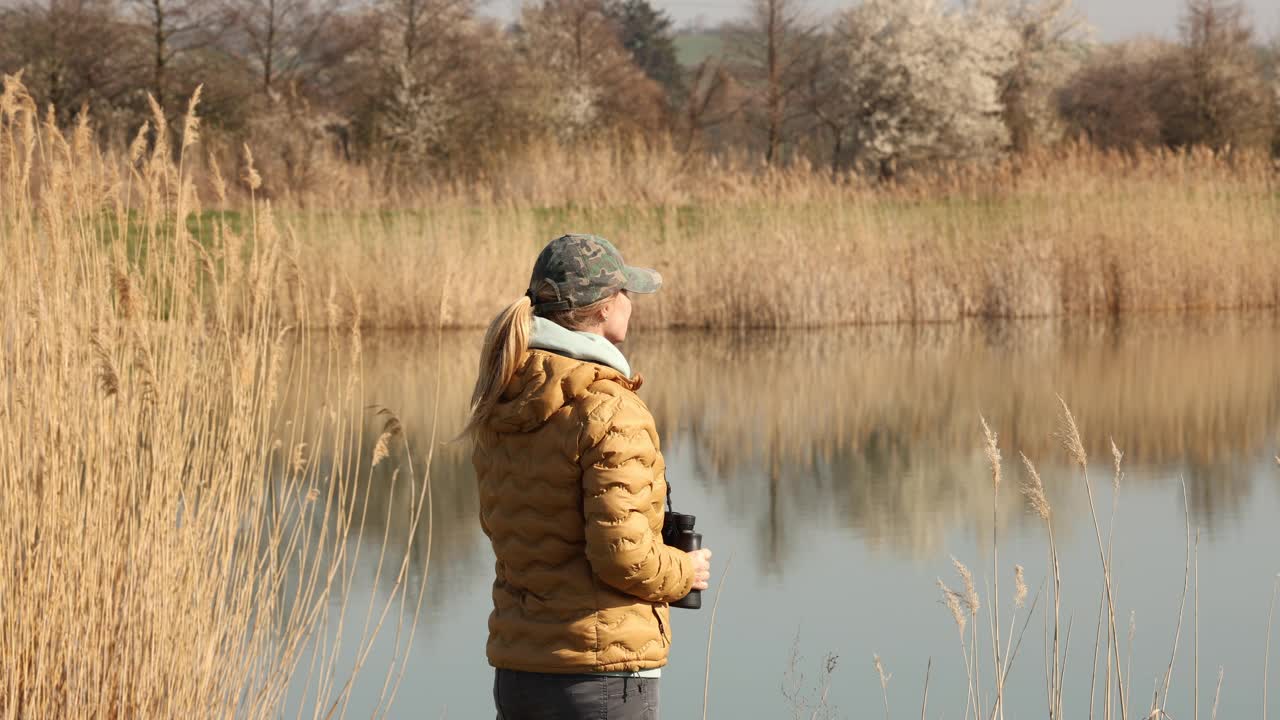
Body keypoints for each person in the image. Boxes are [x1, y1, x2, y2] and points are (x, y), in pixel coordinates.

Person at [466, 234, 713, 720]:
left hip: (520, 674)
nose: (631, 303)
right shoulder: (610, 408)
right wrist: (686, 572)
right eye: (626, 292)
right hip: (600, 677)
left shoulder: (502, 399)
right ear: (603, 309)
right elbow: (624, 558)